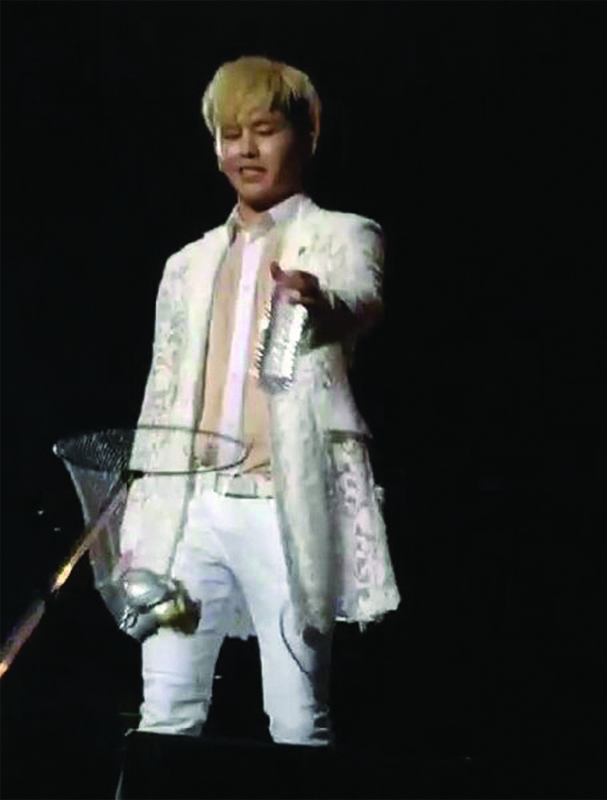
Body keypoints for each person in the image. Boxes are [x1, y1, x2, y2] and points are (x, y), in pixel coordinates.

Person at [117, 55, 401, 748]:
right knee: (165, 713)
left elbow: (358, 303)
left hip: (282, 507)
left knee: (298, 718)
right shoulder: (186, 264)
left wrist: (317, 302)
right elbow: (162, 390)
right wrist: (141, 520)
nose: (245, 149)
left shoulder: (344, 235)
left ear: (307, 136)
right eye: (230, 134)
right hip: (191, 509)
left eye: (265, 130)